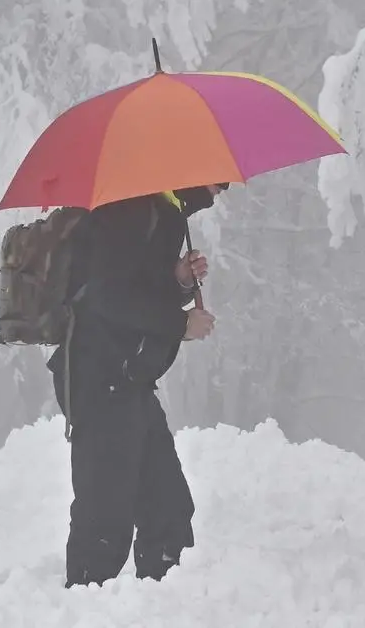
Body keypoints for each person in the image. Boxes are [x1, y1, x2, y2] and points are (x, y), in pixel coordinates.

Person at [48, 182, 226, 588]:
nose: (222, 187)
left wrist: (178, 281)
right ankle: (86, 607)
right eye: (218, 177)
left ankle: (162, 603)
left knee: (167, 506)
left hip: (130, 382)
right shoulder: (128, 210)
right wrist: (180, 324)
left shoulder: (159, 211)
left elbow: (135, 288)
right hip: (100, 380)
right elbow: (106, 299)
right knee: (105, 517)